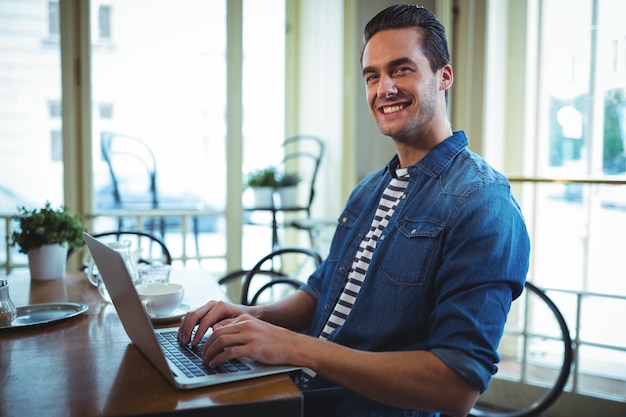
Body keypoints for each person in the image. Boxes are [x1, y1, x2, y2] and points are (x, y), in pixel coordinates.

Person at [178, 4, 530, 417]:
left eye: (401, 69)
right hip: (296, 392)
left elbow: (456, 385)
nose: (384, 88)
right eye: (372, 75)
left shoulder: (484, 203)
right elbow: (319, 293)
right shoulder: (368, 190)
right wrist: (250, 317)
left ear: (444, 76)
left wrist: (295, 347)